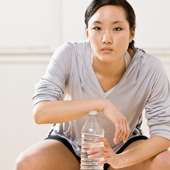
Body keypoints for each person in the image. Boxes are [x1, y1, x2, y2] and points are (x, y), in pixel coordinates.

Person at [14, 0, 170, 170]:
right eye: (97, 28)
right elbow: (41, 113)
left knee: (165, 161)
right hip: (70, 145)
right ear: (87, 32)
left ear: (132, 33)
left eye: (117, 29)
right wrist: (101, 104)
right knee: (27, 163)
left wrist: (120, 160)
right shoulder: (69, 54)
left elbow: (163, 133)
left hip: (124, 147)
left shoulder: (149, 68)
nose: (106, 39)